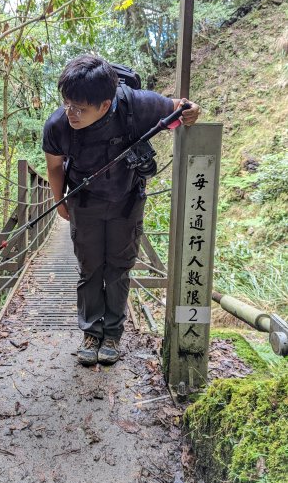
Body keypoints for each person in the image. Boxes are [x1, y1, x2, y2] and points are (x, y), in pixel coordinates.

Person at [42, 55, 200, 366]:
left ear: (105, 104)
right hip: (83, 201)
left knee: (118, 267)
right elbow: (54, 166)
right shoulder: (58, 124)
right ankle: (91, 332)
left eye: (80, 108)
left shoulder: (136, 105)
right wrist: (60, 202)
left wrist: (191, 110)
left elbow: (179, 107)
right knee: (90, 269)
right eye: (67, 103)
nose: (70, 112)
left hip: (127, 201)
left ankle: (112, 334)